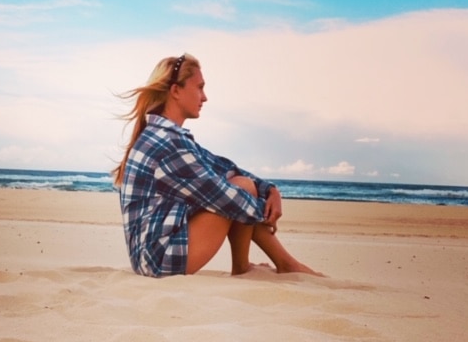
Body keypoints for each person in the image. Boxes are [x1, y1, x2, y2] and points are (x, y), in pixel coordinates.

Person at [113, 53, 322, 278]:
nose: (205, 97)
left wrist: (270, 190)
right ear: (175, 91)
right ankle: (282, 264)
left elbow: (222, 167)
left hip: (152, 255)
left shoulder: (167, 136)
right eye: (200, 87)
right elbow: (225, 197)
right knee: (240, 192)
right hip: (158, 262)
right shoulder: (168, 144)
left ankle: (250, 267)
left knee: (243, 185)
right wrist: (265, 213)